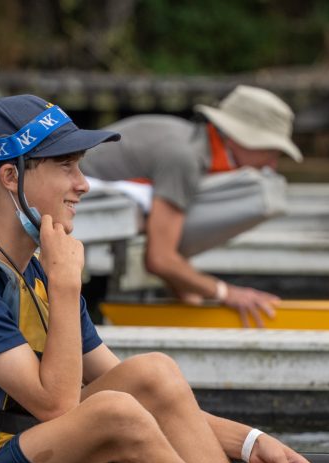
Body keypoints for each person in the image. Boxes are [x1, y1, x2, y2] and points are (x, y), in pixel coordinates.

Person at [0, 94, 316, 463]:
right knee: (114, 414)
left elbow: (143, 393)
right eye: (65, 166)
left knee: (151, 374)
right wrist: (67, 284)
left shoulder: (39, 273)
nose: (84, 184)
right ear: (11, 177)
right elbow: (57, 406)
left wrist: (250, 442)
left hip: (9, 447)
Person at [80, 85, 303, 326]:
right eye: (272, 152)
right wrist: (228, 294)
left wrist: (192, 303)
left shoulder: (191, 141)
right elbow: (160, 259)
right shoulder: (185, 159)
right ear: (244, 139)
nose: (272, 165)